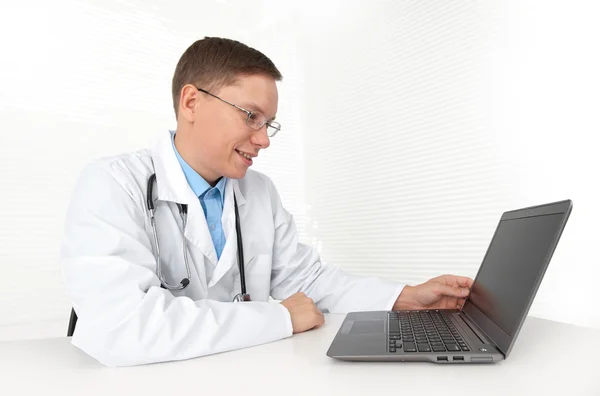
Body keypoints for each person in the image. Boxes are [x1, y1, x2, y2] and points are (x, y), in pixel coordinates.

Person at [60, 37, 474, 367]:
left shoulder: (257, 192)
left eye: (268, 123)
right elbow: (125, 329)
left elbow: (308, 282)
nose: (263, 139)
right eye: (250, 116)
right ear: (191, 102)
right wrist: (278, 318)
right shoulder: (113, 184)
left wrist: (405, 296)